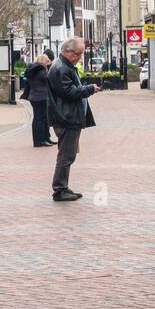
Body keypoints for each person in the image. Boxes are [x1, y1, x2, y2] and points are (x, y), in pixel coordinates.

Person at [47, 37, 100, 202]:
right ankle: (59, 189)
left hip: (68, 116)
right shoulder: (61, 68)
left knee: (68, 155)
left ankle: (63, 186)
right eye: (78, 54)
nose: (79, 57)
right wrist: (89, 89)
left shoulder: (65, 66)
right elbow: (70, 92)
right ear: (68, 52)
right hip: (66, 117)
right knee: (66, 155)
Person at [23, 53, 55, 147]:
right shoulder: (40, 71)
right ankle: (40, 140)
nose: (48, 63)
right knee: (40, 119)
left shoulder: (34, 69)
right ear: (43, 61)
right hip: (40, 97)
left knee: (41, 118)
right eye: (47, 61)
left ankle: (45, 138)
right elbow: (49, 80)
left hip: (36, 97)